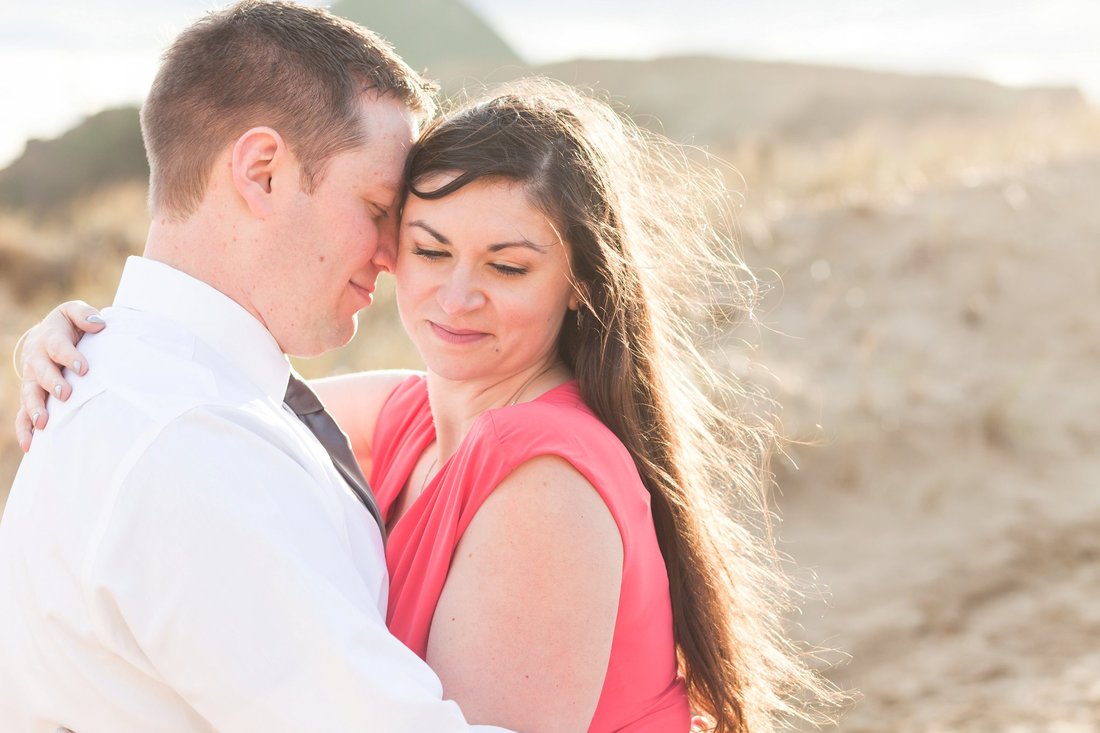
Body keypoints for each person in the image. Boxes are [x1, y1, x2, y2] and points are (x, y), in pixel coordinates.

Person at [13, 76, 841, 730]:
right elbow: (221, 406)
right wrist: (85, 339)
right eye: (427, 247)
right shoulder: (415, 413)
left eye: (508, 267)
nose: (456, 295)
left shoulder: (545, 486)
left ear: (583, 284)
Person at [0, 2, 515, 731]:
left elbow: (461, 405)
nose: (392, 256)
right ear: (262, 171)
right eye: (376, 206)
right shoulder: (189, 439)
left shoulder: (157, 383)